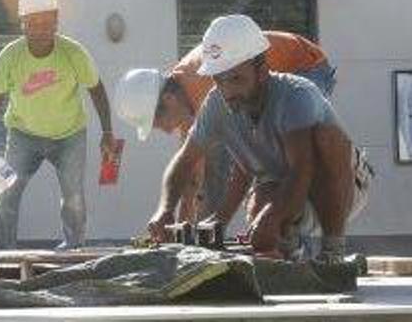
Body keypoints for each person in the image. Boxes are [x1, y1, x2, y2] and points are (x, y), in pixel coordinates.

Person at [145, 15, 372, 262]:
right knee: (262, 227)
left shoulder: (297, 94)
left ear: (262, 71)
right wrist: (166, 211)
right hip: (289, 188)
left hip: (340, 188)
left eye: (236, 79)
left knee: (326, 137)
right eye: (219, 80)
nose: (227, 91)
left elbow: (302, 169)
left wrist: (272, 216)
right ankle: (290, 250)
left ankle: (333, 252)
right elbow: (186, 160)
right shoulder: (216, 102)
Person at [116, 31, 335, 222]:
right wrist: (178, 221)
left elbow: (225, 164)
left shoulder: (207, 86)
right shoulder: (186, 95)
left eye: (157, 124)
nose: (164, 131)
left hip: (306, 68)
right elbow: (190, 170)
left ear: (168, 101)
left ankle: (298, 241)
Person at [0, 0, 118, 250]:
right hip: (23, 135)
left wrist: (107, 133)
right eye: (32, 23)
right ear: (23, 24)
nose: (39, 30)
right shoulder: (9, 57)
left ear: (56, 22)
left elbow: (97, 90)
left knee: (73, 197)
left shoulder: (73, 53)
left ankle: (73, 248)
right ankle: (1, 252)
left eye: (46, 22)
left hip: (69, 135)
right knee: (5, 193)